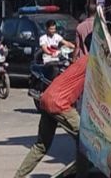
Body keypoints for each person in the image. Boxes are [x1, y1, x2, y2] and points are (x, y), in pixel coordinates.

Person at [14, 47, 90, 178]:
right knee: (85, 140)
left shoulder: (81, 60)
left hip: (47, 98)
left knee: (41, 145)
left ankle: (18, 176)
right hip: (60, 103)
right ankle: (82, 174)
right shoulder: (93, 62)